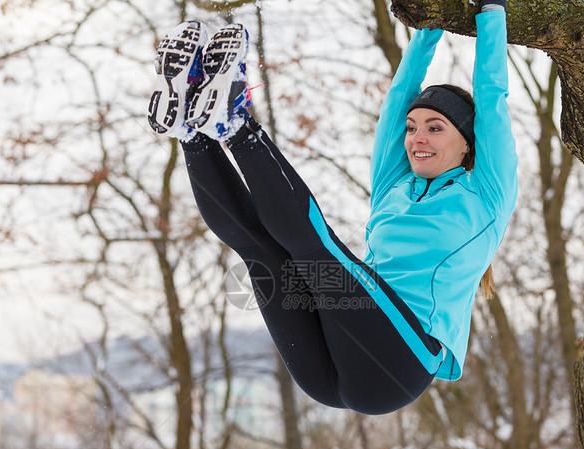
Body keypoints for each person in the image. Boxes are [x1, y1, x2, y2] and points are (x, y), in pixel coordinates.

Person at [147, 0, 517, 416]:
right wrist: (427, 26)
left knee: (319, 251)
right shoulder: (394, 184)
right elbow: (399, 97)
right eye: (413, 128)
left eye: (436, 128)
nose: (417, 138)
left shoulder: (487, 196)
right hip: (331, 369)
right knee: (264, 255)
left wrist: (492, 12)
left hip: (399, 366)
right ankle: (190, 132)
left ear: (468, 142)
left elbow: (493, 99)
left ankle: (236, 124)